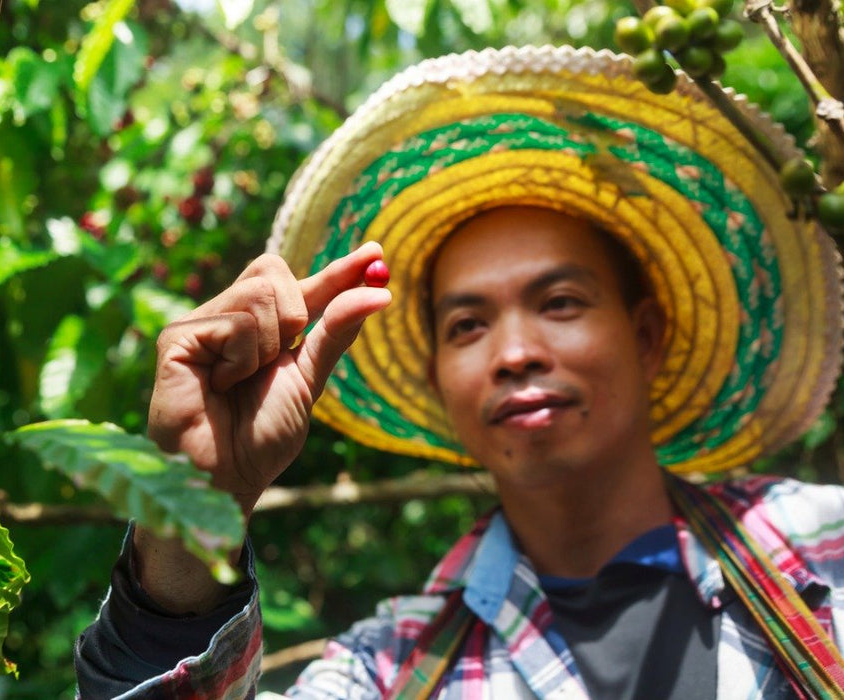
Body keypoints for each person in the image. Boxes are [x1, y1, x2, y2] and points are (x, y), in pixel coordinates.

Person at [75, 45, 844, 699]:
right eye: (467, 325)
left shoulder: (821, 550)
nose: (513, 353)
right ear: (438, 376)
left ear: (644, 335)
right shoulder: (390, 670)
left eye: (561, 302)